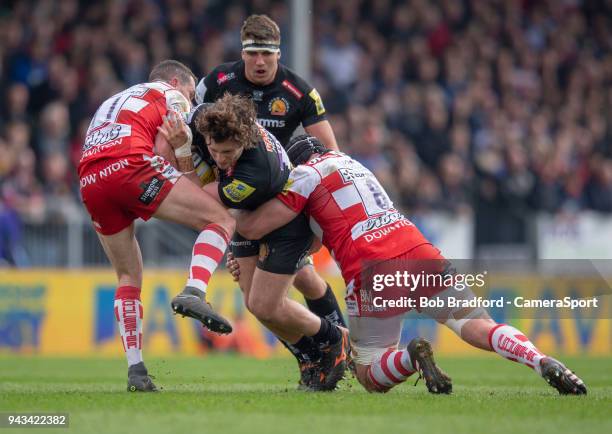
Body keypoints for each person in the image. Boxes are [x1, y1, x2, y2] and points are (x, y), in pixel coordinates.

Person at [231, 135, 588, 395]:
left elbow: (259, 227)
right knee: (477, 325)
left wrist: (239, 234)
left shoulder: (304, 175)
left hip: (372, 266)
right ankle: (539, 359)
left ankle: (411, 357)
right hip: (417, 248)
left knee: (368, 372)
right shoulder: (357, 165)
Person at [194, 13, 346, 383]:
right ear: (242, 52)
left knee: (299, 283)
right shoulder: (217, 82)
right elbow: (191, 126)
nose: (260, 61)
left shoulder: (299, 91)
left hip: (281, 202)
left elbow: (331, 152)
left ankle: (338, 344)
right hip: (241, 201)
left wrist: (320, 215)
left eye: (267, 53)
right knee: (257, 302)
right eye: (253, 53)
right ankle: (314, 356)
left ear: (279, 53)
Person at [78, 60, 235, 392]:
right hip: (131, 166)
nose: (191, 102)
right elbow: (162, 154)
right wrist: (184, 153)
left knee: (128, 275)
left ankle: (136, 369)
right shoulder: (169, 93)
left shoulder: (111, 102)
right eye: (191, 93)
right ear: (176, 81)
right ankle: (195, 290)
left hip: (90, 179)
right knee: (220, 218)